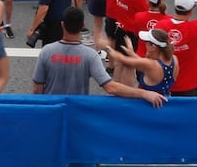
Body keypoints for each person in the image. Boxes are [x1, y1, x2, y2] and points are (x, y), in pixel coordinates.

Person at [31, 7, 165, 106]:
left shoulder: (46, 51)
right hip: (77, 110)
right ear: (82, 26)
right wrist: (144, 93)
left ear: (62, 25)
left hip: (52, 109)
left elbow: (37, 89)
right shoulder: (90, 55)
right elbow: (111, 87)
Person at [108, 26, 177, 99]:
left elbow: (122, 59)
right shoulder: (174, 59)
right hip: (166, 101)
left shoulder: (150, 64)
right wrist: (131, 52)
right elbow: (144, 63)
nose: (145, 44)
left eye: (146, 42)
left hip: (146, 103)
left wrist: (107, 47)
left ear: (153, 47)